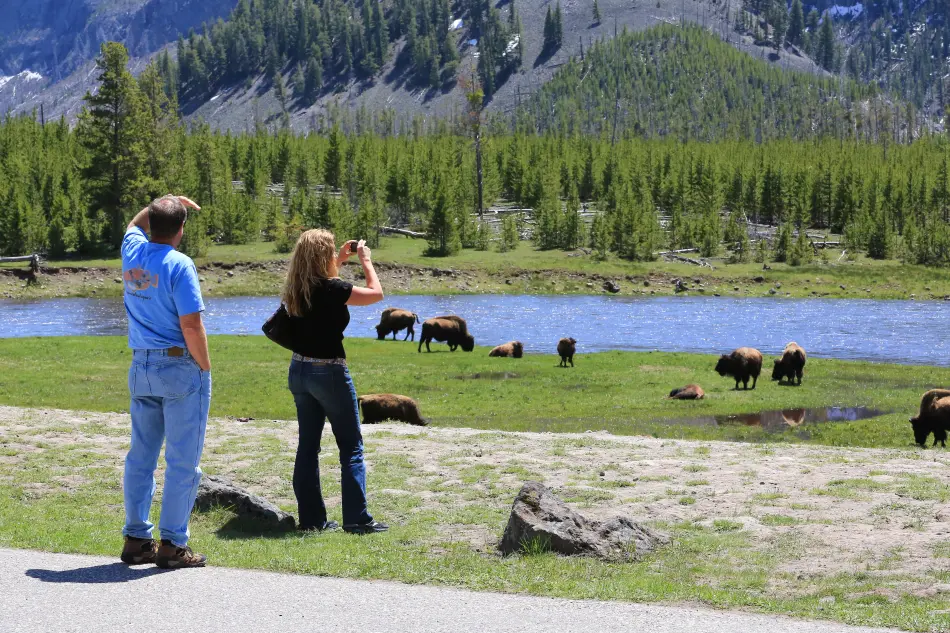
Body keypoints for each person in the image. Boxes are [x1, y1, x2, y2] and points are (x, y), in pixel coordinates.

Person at [119, 194, 212, 569]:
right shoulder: (180, 263)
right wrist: (204, 367)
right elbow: (191, 324)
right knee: (182, 460)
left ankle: (137, 540)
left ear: (153, 225)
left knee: (140, 455)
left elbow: (132, 226)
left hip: (140, 366)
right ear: (182, 230)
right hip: (177, 366)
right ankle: (173, 545)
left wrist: (163, 202)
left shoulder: (133, 252)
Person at [282, 229, 387, 534]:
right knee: (351, 446)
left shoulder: (296, 288)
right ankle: (357, 519)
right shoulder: (334, 289)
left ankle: (312, 520)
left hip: (299, 371)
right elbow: (375, 293)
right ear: (321, 257)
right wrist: (366, 261)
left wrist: (339, 258)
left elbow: (323, 286)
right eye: (330, 253)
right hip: (329, 372)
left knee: (307, 447)